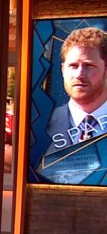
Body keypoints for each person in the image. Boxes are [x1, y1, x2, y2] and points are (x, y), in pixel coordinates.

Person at [43, 27, 107, 157]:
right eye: (73, 66)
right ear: (63, 70)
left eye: (88, 65)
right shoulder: (41, 125)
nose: (79, 74)